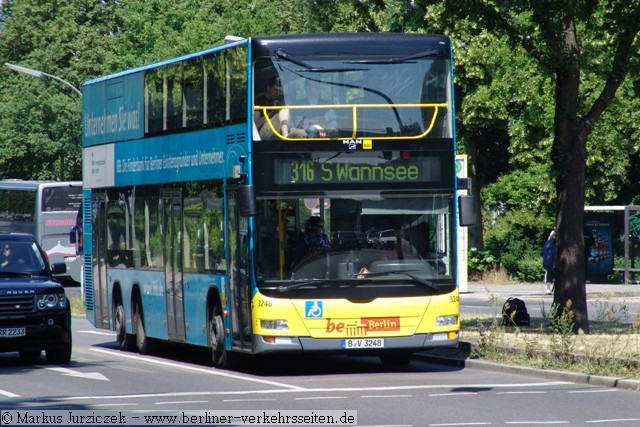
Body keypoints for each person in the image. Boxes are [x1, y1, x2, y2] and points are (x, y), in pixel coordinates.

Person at [542, 228, 556, 295]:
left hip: (546, 262)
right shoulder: (554, 243)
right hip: (552, 261)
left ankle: (548, 289)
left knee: (549, 275)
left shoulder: (546, 244)